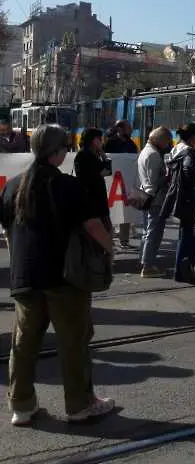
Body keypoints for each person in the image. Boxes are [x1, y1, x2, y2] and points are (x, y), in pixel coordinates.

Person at [0, 124, 115, 425]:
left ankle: (21, 406)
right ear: (57, 152)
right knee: (73, 342)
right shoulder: (66, 185)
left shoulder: (13, 185)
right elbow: (91, 226)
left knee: (23, 344)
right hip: (64, 278)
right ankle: (79, 405)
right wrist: (109, 249)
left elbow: (8, 230)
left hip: (26, 276)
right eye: (65, 147)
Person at [162, 123, 195, 283]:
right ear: (193, 137)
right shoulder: (189, 152)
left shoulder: (176, 148)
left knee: (185, 234)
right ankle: (184, 271)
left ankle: (182, 270)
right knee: (188, 234)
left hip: (178, 196)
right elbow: (188, 171)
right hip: (188, 199)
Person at [137, 126, 172, 278]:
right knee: (153, 232)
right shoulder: (153, 155)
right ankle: (148, 265)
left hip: (147, 196)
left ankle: (145, 261)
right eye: (167, 142)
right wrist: (169, 175)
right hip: (155, 198)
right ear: (160, 140)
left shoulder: (146, 152)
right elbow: (154, 181)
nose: (168, 145)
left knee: (147, 231)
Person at [104, 120, 138, 250]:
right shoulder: (110, 143)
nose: (131, 130)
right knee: (110, 211)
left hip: (126, 182)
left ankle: (124, 240)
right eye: (128, 128)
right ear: (120, 129)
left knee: (125, 211)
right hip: (112, 181)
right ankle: (109, 240)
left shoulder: (131, 144)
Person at [73, 127, 113, 230]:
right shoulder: (86, 155)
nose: (102, 142)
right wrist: (102, 153)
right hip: (93, 202)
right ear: (94, 140)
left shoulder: (88, 154)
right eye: (100, 139)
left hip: (95, 202)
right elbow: (107, 171)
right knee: (103, 235)